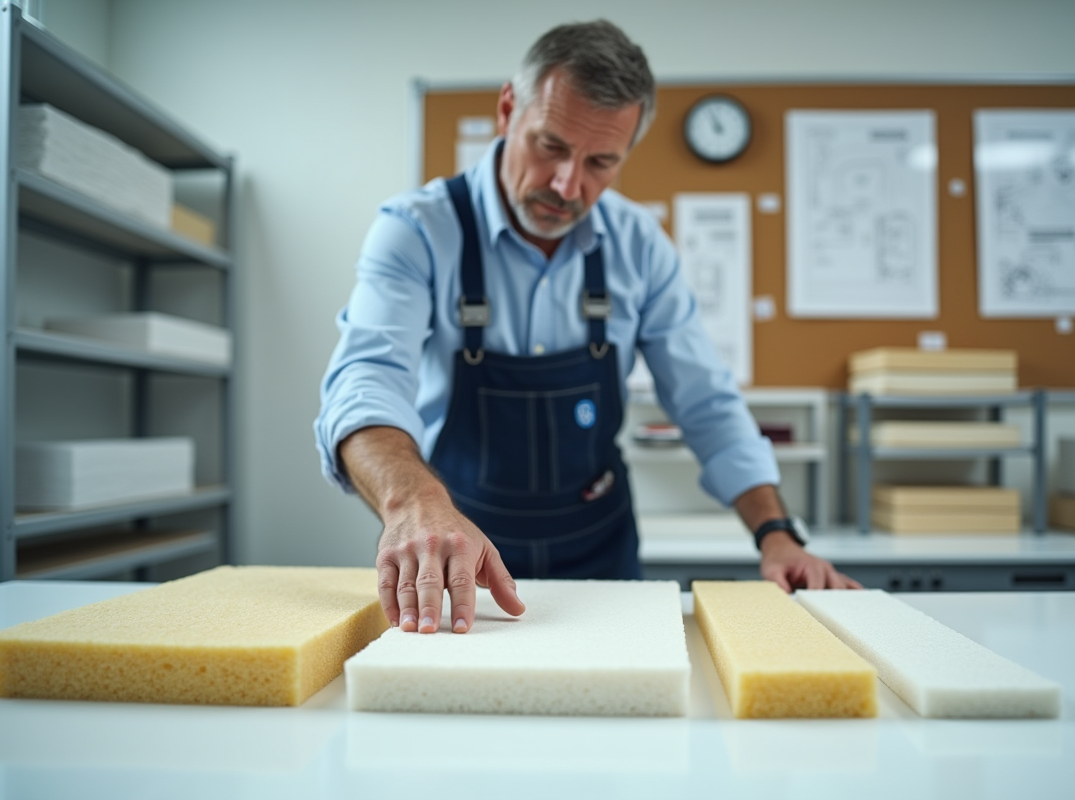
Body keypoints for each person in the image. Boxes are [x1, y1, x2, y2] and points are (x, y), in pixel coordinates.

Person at [314, 20, 861, 636]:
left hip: (601, 555)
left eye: (601, 162)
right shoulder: (417, 231)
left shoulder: (638, 247)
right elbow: (365, 380)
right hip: (456, 547)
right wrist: (414, 502)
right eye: (550, 145)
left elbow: (706, 402)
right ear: (506, 110)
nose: (567, 185)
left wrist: (776, 534)